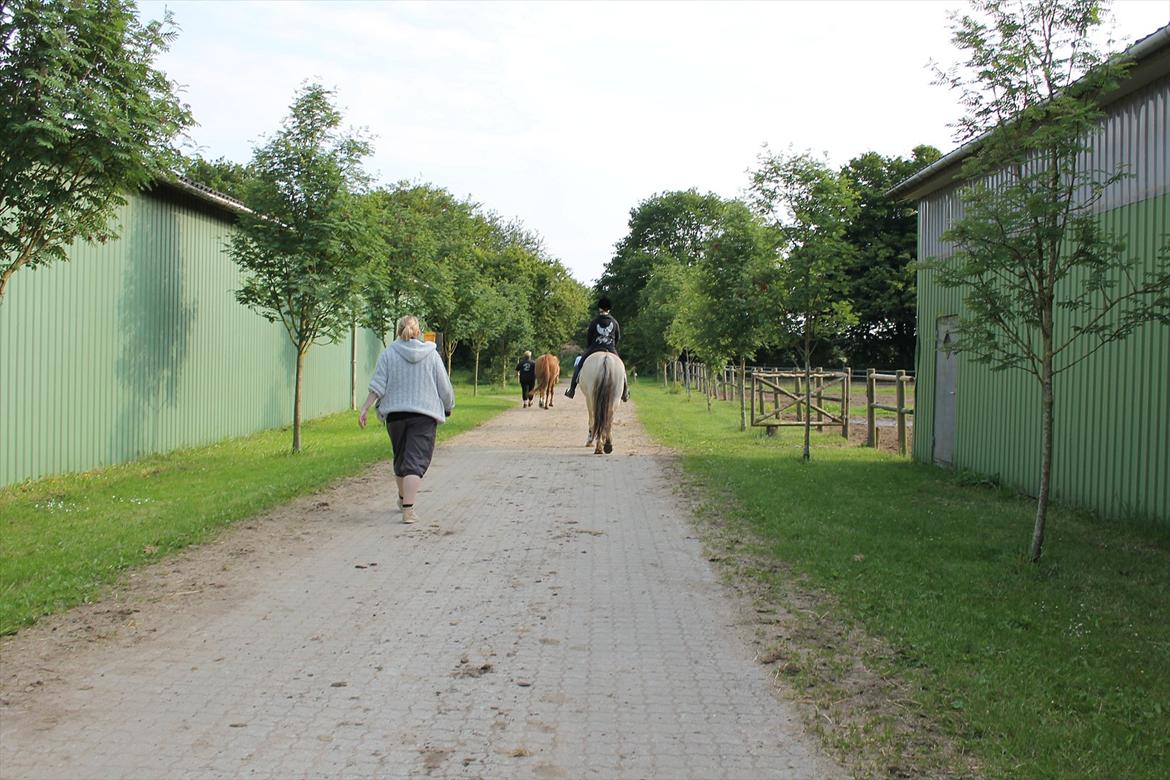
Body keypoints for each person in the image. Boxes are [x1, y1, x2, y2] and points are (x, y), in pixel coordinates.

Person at [359, 315, 455, 525]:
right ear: (418, 331)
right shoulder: (432, 354)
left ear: (398, 331)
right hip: (424, 414)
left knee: (401, 458)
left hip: (395, 415)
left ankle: (403, 499)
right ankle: (408, 510)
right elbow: (444, 387)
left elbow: (378, 385)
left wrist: (365, 408)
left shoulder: (389, 353)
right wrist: (449, 406)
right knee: (415, 463)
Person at [564, 297, 628, 402]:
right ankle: (625, 391)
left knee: (580, 364)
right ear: (609, 309)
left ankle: (572, 389)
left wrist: (590, 347)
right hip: (610, 348)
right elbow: (617, 338)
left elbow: (589, 338)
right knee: (621, 366)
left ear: (600, 308)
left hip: (595, 348)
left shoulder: (594, 322)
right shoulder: (614, 322)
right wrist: (611, 346)